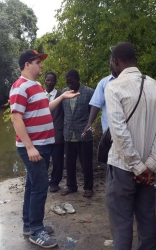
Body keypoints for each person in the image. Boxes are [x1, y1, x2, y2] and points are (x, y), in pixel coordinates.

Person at [9, 50, 80, 248]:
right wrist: (30, 147)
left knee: (33, 185)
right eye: (37, 62)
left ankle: (29, 224)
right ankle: (36, 230)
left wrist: (63, 97)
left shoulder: (37, 86)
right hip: (34, 147)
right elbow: (16, 118)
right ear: (26, 64)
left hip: (43, 145)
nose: (41, 65)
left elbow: (45, 108)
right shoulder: (20, 87)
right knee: (40, 187)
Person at [105, 42, 156, 250]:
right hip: (149, 170)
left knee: (122, 224)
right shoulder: (154, 85)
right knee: (147, 220)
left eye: (111, 61)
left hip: (122, 168)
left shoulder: (114, 87)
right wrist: (150, 165)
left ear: (116, 61)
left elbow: (119, 133)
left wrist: (138, 167)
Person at [61, 69, 94, 197]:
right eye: (68, 83)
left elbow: (93, 112)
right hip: (68, 133)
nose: (70, 85)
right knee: (69, 163)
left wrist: (89, 126)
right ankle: (71, 186)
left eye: (72, 82)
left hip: (84, 134)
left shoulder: (89, 92)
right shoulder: (64, 93)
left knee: (86, 163)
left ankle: (88, 188)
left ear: (78, 79)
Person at [82, 62, 117, 136]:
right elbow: (96, 104)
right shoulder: (104, 83)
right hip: (109, 131)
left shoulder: (132, 82)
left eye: (114, 61)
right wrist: (89, 123)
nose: (112, 63)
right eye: (111, 61)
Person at [44, 72, 64, 192]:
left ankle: (54, 183)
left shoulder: (61, 95)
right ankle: (43, 181)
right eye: (48, 80)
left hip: (57, 133)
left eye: (52, 80)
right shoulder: (40, 95)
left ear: (55, 81)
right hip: (43, 134)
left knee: (57, 161)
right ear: (44, 81)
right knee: (43, 160)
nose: (50, 82)